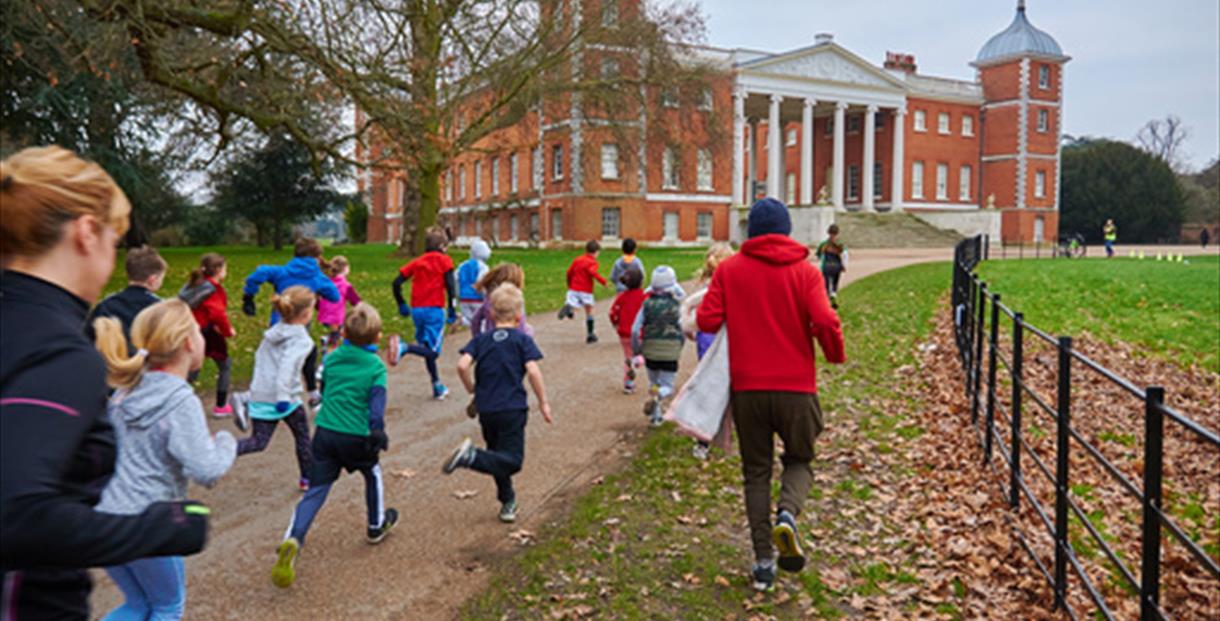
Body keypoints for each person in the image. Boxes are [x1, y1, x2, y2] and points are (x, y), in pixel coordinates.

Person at [1, 145, 208, 620]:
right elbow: (16, 516)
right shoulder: (57, 352)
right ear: (86, 232)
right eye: (114, 241)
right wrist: (160, 527)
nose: (113, 259)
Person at [697, 197, 845, 592]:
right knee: (800, 459)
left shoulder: (730, 271)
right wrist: (834, 353)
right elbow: (825, 320)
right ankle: (788, 516)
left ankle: (764, 561)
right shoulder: (806, 272)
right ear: (786, 230)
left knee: (756, 473)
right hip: (796, 387)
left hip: (748, 390)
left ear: (752, 234)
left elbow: (706, 319)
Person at [94, 300, 237, 620]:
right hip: (148, 521)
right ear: (188, 343)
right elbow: (207, 470)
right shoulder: (178, 399)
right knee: (167, 606)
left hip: (105, 516)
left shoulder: (126, 389)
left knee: (137, 603)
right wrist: (226, 442)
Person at [271, 303, 399, 589]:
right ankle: (376, 525)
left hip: (327, 432)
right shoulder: (375, 366)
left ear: (344, 332)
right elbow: (376, 406)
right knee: (372, 474)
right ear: (377, 337)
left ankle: (293, 537)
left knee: (316, 491)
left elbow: (326, 388)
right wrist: (377, 431)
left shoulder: (333, 356)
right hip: (358, 435)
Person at [444, 284, 552, 523]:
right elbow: (533, 372)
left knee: (497, 456)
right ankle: (470, 457)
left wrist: (472, 389)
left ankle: (507, 501)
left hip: (488, 411)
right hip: (512, 409)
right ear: (518, 316)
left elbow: (462, 365)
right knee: (512, 461)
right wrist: (543, 402)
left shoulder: (481, 340)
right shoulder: (522, 340)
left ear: (491, 314)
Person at [232, 286, 317, 491]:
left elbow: (261, 360)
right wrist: (282, 397)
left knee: (258, 442)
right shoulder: (301, 340)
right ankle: (307, 478)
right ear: (306, 314)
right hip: (283, 399)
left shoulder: (274, 332)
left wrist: (255, 391)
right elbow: (287, 368)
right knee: (303, 437)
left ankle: (217, 451)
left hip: (262, 394)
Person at [243, 237, 339, 407]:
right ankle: (310, 393)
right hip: (299, 327)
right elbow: (334, 295)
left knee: (273, 359)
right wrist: (319, 293)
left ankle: (256, 394)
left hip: (278, 324)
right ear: (316, 258)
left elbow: (258, 274)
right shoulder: (317, 278)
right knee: (306, 355)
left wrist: (248, 297)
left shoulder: (281, 272)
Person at [389, 229, 458, 400]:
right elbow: (451, 286)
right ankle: (405, 347)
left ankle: (436, 385)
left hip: (417, 311)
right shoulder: (445, 261)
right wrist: (452, 308)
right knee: (433, 352)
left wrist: (401, 304)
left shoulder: (417, 262)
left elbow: (396, 283)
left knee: (426, 349)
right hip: (434, 310)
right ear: (442, 246)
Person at [681, 242, 735, 459]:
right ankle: (709, 436)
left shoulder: (709, 289)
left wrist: (689, 329)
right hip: (724, 341)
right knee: (726, 388)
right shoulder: (723, 287)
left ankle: (704, 438)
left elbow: (688, 308)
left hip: (708, 338)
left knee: (710, 387)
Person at [179, 252, 237, 417]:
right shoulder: (212, 289)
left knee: (192, 366)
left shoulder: (195, 284)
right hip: (208, 331)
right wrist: (228, 331)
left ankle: (177, 399)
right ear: (218, 270)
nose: (226, 272)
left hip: (190, 328)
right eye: (225, 268)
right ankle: (220, 406)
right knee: (224, 364)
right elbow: (217, 314)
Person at [632, 266, 684, 427]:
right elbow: (683, 329)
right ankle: (659, 398)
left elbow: (634, 329)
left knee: (653, 383)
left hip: (650, 351)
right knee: (667, 386)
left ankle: (656, 417)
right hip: (670, 351)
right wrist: (679, 346)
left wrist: (637, 350)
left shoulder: (646, 304)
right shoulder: (677, 306)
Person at [85, 245, 168, 345]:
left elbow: (88, 337)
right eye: (161, 279)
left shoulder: (105, 305)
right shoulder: (161, 308)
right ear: (153, 280)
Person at [557, 240, 608, 343]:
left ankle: (569, 308)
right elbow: (592, 272)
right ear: (596, 252)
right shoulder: (592, 262)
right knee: (589, 311)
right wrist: (603, 281)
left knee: (574, 304)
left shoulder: (578, 260)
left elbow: (569, 272)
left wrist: (570, 284)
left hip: (574, 288)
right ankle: (590, 334)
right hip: (586, 289)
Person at [608, 266, 646, 393]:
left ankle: (629, 383)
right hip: (640, 333)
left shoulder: (622, 296)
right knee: (644, 353)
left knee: (628, 357)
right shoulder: (644, 296)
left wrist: (616, 323)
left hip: (624, 333)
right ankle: (638, 361)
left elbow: (613, 312)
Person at [469, 263, 532, 338]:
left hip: (491, 340)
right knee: (529, 329)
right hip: (512, 341)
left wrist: (477, 338)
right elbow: (521, 324)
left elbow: (475, 320)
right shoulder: (516, 300)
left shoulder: (489, 300)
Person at [317, 255, 363, 355]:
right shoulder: (345, 285)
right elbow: (355, 300)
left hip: (325, 314)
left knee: (338, 331)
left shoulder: (328, 282)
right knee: (338, 333)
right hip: (337, 315)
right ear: (345, 269)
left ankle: (328, 341)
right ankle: (332, 350)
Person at [457, 239, 492, 327]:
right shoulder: (483, 267)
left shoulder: (462, 265)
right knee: (482, 320)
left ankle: (461, 321)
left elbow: (456, 279)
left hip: (463, 298)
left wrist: (458, 294)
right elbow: (482, 281)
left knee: (470, 319)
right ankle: (482, 338)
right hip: (477, 298)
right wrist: (486, 295)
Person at [815, 224, 848, 308]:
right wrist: (844, 266)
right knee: (834, 283)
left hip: (826, 266)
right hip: (837, 266)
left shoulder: (824, 244)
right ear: (838, 233)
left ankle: (826, 301)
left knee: (826, 285)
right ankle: (833, 295)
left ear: (828, 232)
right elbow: (845, 255)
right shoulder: (841, 245)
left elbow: (818, 255)